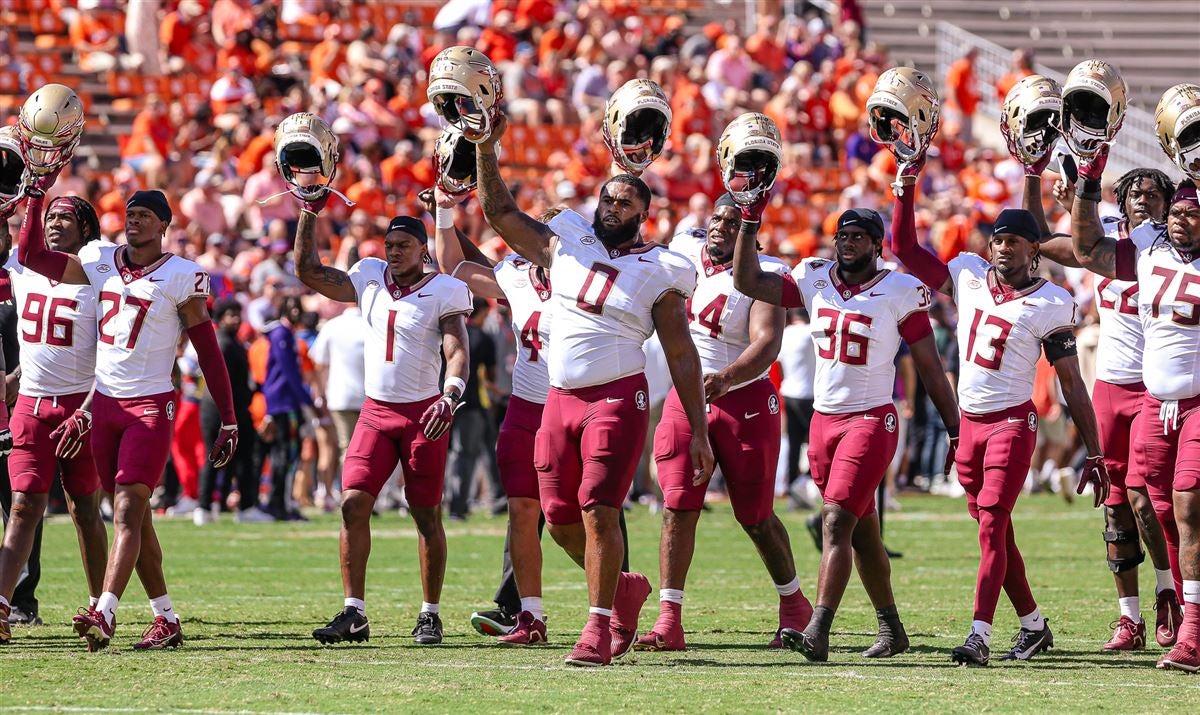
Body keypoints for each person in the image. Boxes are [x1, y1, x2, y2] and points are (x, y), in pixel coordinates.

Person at [476, 113, 713, 666]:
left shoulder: (662, 268)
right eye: (609, 199)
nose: (614, 207)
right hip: (559, 398)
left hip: (616, 397)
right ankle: (623, 588)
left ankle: (597, 629)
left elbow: (680, 352)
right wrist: (486, 146)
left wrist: (697, 426)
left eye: (627, 202)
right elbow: (500, 213)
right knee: (557, 518)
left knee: (598, 510)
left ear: (645, 215)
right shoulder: (567, 243)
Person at [890, 162, 1108, 666]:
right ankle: (1033, 625)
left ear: (1036, 249)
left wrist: (1093, 451)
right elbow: (904, 250)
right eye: (998, 239)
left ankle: (979, 635)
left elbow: (1072, 384)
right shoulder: (966, 274)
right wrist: (904, 188)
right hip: (969, 425)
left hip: (1013, 422)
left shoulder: (1051, 302)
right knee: (997, 532)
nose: (1003, 247)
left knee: (992, 527)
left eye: (1015, 241)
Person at [733, 197, 961, 663]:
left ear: (877, 244)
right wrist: (749, 219)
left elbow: (931, 370)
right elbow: (747, 281)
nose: (848, 243)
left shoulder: (899, 290)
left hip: (872, 418)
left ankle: (818, 628)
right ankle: (892, 628)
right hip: (823, 420)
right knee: (862, 532)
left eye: (859, 236)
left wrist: (955, 429)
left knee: (836, 520)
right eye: (843, 235)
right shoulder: (815, 278)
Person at [19, 182, 239, 652]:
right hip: (104, 407)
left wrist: (229, 418)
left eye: (144, 214)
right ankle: (166, 617)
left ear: (165, 224)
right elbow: (33, 255)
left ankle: (105, 609)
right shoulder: (101, 262)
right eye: (130, 212)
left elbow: (208, 350)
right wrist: (35, 191)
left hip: (149, 407)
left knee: (126, 510)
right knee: (136, 521)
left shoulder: (183, 275)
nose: (134, 219)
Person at [635, 194, 813, 652]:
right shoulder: (683, 253)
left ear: (749, 231)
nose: (721, 227)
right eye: (717, 219)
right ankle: (669, 619)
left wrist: (727, 378)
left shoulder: (765, 273)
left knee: (754, 515)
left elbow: (767, 342)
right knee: (677, 504)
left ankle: (795, 605)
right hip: (687, 396)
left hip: (744, 402)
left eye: (734, 223)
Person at [295, 193, 471, 647]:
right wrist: (308, 212)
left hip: (423, 412)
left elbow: (456, 352)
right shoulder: (368, 276)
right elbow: (310, 273)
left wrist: (450, 398)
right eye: (388, 244)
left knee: (426, 514)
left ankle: (430, 612)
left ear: (422, 250)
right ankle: (354, 612)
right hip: (376, 411)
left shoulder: (443, 290)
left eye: (402, 245)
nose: (392, 252)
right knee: (352, 502)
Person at [1069, 152, 1200, 672]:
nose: (1179, 219)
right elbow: (1084, 247)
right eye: (1178, 213)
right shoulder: (1146, 250)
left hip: (1195, 402)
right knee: (1148, 503)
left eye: (1191, 210)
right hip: (1151, 400)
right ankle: (1169, 600)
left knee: (1188, 506)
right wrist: (1086, 177)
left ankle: (1191, 629)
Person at [1044, 166, 1182, 650]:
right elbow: (1041, 239)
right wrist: (1035, 174)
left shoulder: (1175, 248)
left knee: (1150, 502)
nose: (1144, 201)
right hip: (1108, 386)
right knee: (1115, 507)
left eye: (1154, 194)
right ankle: (1130, 618)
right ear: (1119, 201)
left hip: (1153, 387)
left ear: (1170, 202)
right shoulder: (1100, 245)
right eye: (1135, 194)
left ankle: (1171, 592)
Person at [431, 192, 558, 645]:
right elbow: (455, 269)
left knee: (589, 510)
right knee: (523, 508)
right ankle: (523, 610)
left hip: (579, 403)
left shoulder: (589, 280)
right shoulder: (518, 278)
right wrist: (444, 213)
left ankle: (620, 596)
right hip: (527, 401)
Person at [0, 196, 108, 644]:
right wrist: (21, 193)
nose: (53, 224)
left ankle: (102, 607)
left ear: (87, 229)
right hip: (32, 403)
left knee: (86, 510)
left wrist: (88, 409)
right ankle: (3, 605)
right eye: (49, 218)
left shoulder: (98, 272)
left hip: (82, 404)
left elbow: (113, 351)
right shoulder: (21, 266)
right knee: (23, 505)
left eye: (65, 217)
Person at [194, 299, 267, 524]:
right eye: (230, 314)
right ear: (220, 317)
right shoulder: (223, 344)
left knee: (239, 459)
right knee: (219, 457)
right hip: (222, 410)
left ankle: (232, 506)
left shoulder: (231, 342)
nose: (235, 318)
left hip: (230, 408)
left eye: (237, 314)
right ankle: (207, 507)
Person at [446, 298, 498, 520]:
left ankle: (442, 503)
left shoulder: (447, 334)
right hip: (471, 403)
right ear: (482, 312)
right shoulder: (483, 337)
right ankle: (458, 506)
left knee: (447, 455)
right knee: (466, 455)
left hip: (443, 398)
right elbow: (491, 374)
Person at [779, 308, 816, 507]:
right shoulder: (811, 332)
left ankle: (793, 487)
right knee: (818, 442)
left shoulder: (785, 333)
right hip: (809, 394)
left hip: (789, 392)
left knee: (793, 444)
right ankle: (804, 481)